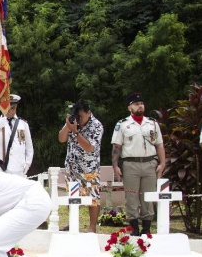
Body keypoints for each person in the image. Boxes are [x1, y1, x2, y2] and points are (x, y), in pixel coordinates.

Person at [111, 92, 166, 236]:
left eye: (141, 103)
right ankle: (134, 228)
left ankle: (146, 228)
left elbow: (159, 144)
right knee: (132, 197)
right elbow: (117, 147)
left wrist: (162, 163)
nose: (140, 106)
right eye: (136, 104)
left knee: (148, 197)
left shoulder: (152, 123)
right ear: (130, 107)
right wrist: (115, 166)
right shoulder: (122, 124)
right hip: (131, 164)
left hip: (150, 163)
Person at [58, 100, 104, 232]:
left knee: (93, 198)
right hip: (72, 168)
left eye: (81, 116)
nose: (80, 119)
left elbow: (90, 147)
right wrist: (68, 126)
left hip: (89, 169)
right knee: (72, 197)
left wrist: (76, 132)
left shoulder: (96, 125)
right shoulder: (73, 122)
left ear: (89, 112)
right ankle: (72, 222)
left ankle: (92, 227)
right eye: (77, 116)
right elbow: (61, 139)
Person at [0, 94, 33, 177]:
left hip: (19, 168)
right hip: (1, 168)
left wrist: (27, 163)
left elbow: (29, 147)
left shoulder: (23, 124)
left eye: (13, 108)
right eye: (8, 108)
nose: (10, 110)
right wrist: (0, 123)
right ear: (3, 108)